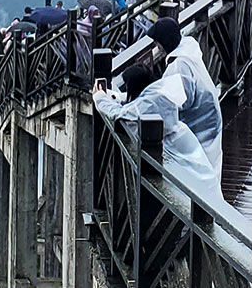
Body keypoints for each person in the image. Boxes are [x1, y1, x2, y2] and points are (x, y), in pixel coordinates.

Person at [93, 65, 223, 202]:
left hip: (196, 189)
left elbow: (122, 114)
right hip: (203, 183)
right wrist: (116, 97)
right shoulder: (159, 94)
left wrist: (101, 99)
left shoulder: (151, 104)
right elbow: (138, 102)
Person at [145, 17, 223, 173]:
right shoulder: (189, 53)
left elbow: (175, 102)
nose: (156, 46)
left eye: (157, 42)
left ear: (165, 42)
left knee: (199, 174)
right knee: (209, 171)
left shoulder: (179, 66)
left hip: (200, 127)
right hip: (209, 121)